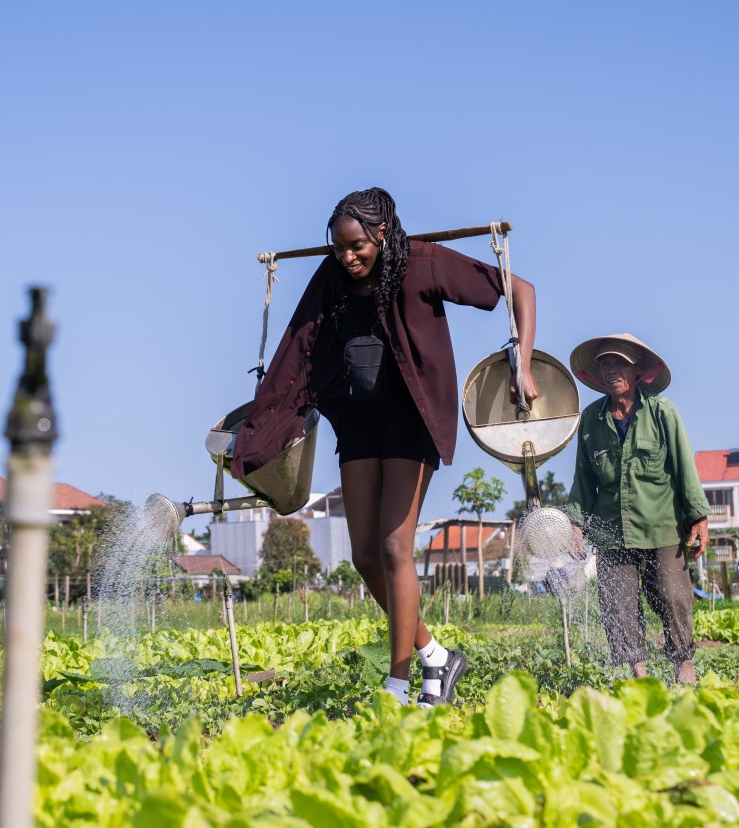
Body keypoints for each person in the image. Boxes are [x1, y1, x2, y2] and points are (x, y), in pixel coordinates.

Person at [232, 188, 539, 706]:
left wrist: (523, 362)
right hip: (356, 422)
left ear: (380, 233)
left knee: (396, 548)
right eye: (338, 248)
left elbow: (521, 290)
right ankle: (435, 655)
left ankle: (401, 684)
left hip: (410, 418)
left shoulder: (423, 264)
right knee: (364, 555)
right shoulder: (331, 279)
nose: (347, 258)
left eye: (356, 246)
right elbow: (298, 346)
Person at [567, 334, 710, 684]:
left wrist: (699, 516)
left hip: (661, 526)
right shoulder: (591, 420)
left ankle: (683, 664)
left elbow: (684, 467)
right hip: (611, 530)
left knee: (673, 596)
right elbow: (583, 477)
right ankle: (638, 673)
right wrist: (575, 523)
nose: (612, 370)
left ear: (638, 369)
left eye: (619, 363)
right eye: (605, 363)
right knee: (619, 605)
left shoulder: (662, 412)